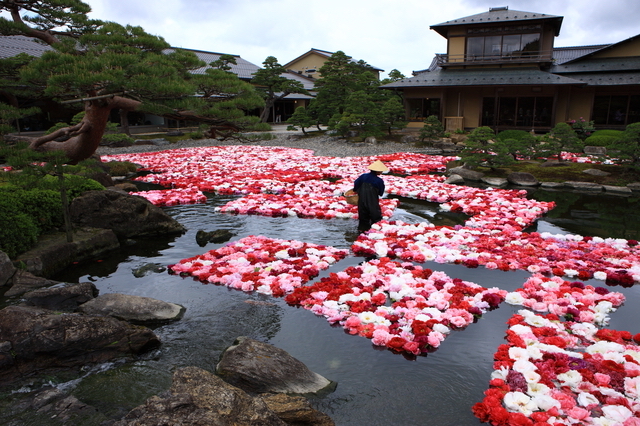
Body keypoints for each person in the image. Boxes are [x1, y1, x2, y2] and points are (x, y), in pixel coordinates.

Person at [353, 160, 388, 232]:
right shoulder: (379, 181)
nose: (381, 172)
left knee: (363, 218)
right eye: (380, 170)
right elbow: (380, 193)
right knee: (376, 218)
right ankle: (374, 232)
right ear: (377, 171)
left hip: (362, 201)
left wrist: (357, 190)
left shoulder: (363, 176)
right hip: (372, 202)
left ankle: (361, 231)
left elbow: (356, 186)